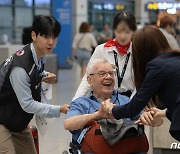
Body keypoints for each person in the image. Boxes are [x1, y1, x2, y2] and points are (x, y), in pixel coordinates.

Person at [0, 15, 69, 154]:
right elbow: (27, 104)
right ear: (34, 35)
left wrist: (43, 75)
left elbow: (32, 72)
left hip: (16, 122)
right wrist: (59, 109)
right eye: (46, 37)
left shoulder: (37, 55)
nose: (51, 42)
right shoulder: (20, 67)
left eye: (54, 37)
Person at [101, 26, 180, 141]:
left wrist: (110, 110)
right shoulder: (175, 59)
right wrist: (164, 112)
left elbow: (134, 107)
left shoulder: (157, 67)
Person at [64, 59, 148, 153]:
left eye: (111, 74)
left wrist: (148, 116)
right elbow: (68, 124)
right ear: (89, 79)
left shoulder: (125, 101)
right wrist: (97, 115)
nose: (108, 77)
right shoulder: (81, 103)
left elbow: (154, 120)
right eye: (102, 73)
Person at [73, 11, 137, 100]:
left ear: (133, 31)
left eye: (127, 32)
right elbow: (88, 76)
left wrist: (131, 106)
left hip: (131, 101)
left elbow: (140, 84)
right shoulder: (102, 50)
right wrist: (76, 100)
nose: (123, 36)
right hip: (104, 101)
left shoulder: (138, 51)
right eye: (119, 31)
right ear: (114, 30)